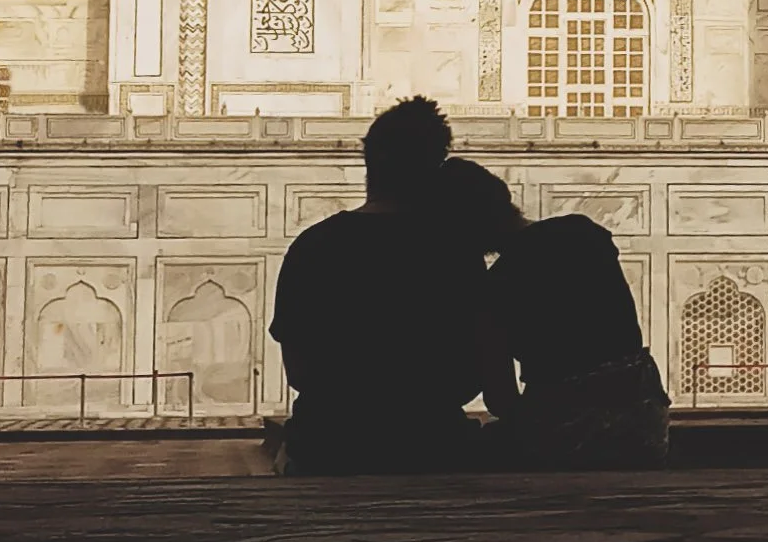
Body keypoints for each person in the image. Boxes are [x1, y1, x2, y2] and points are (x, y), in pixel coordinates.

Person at [269, 97, 502, 472]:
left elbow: (300, 372)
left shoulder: (313, 247)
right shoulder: (452, 252)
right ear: (435, 168)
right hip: (431, 445)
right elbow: (472, 373)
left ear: (369, 162)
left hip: (328, 446)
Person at [432, 161, 669, 470]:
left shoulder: (497, 286)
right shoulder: (585, 234)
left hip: (569, 438)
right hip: (644, 427)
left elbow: (501, 400)